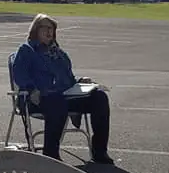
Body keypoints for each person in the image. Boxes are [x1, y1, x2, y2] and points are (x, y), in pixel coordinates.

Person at [11, 13, 114, 163]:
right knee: (56, 100)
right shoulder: (27, 50)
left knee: (99, 97)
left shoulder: (58, 53)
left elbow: (68, 79)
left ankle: (99, 152)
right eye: (44, 28)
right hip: (36, 98)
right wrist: (31, 89)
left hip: (63, 97)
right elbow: (19, 74)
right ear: (35, 30)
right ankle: (51, 155)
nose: (49, 32)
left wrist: (80, 82)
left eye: (51, 28)